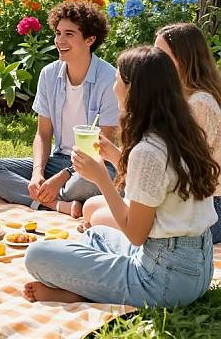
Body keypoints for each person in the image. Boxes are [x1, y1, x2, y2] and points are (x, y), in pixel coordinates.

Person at [23, 46, 219, 307]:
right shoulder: (184, 133)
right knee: (98, 235)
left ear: (133, 90)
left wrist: (102, 178)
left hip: (162, 282)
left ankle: (81, 289)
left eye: (117, 80)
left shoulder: (147, 151)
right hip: (197, 268)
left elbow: (136, 235)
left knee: (37, 255)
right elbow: (159, 185)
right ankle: (85, 286)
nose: (113, 86)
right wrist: (116, 156)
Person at [0, 1, 119, 217]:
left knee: (81, 185)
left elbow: (104, 147)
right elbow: (43, 134)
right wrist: (37, 174)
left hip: (95, 165)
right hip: (59, 160)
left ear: (90, 39)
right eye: (58, 33)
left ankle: (53, 197)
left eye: (69, 34)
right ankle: (58, 204)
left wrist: (62, 178)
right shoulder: (49, 74)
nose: (59, 40)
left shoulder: (109, 79)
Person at [83, 23, 221, 239]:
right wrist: (112, 155)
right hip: (175, 198)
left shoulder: (199, 103)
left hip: (203, 205)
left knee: (99, 217)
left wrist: (102, 176)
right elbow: (160, 169)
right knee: (90, 206)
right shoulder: (175, 102)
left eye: (161, 54)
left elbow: (175, 169)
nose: (154, 60)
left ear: (183, 60)